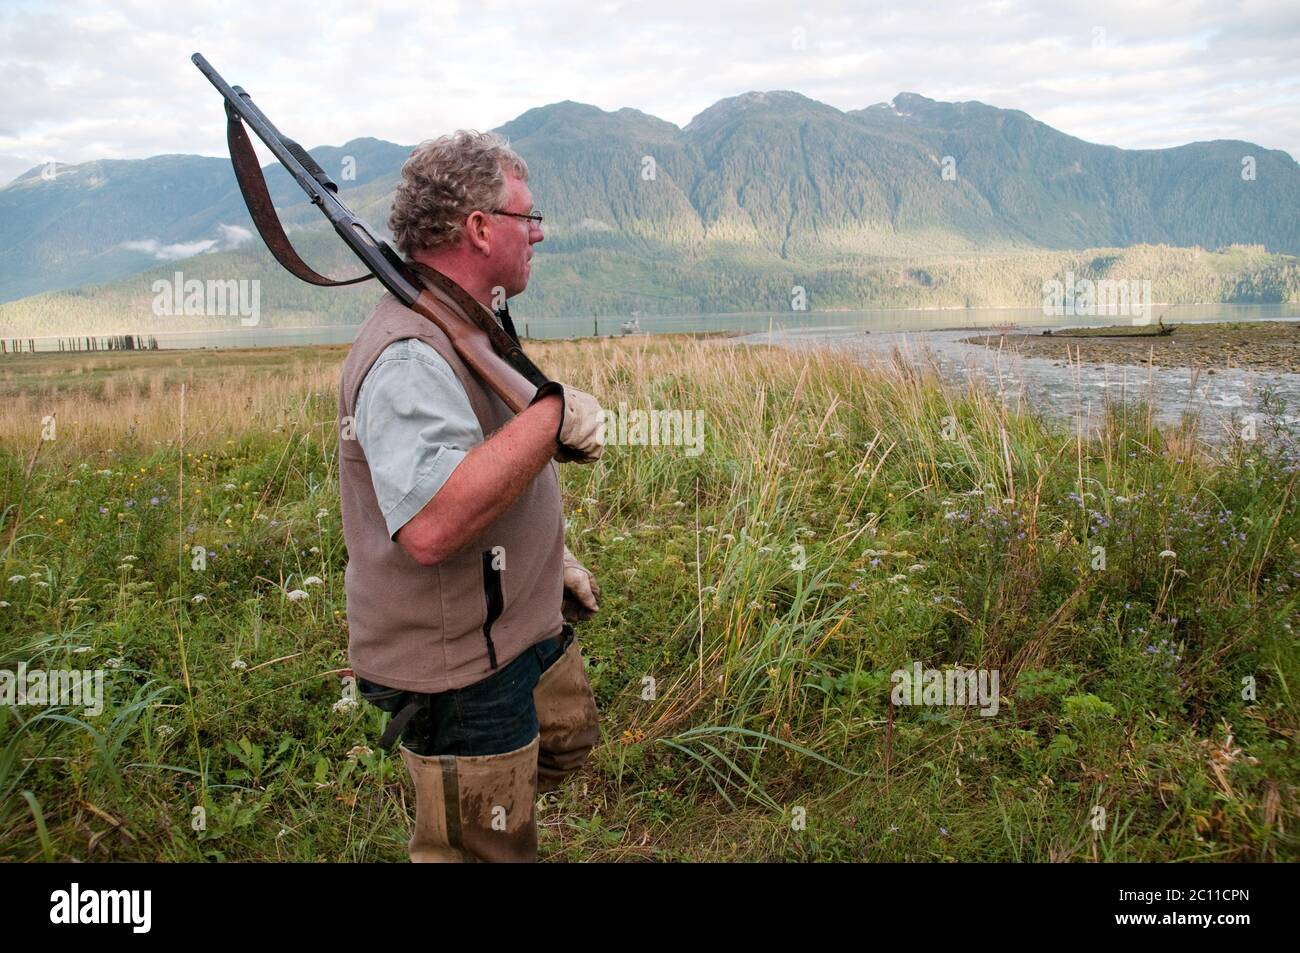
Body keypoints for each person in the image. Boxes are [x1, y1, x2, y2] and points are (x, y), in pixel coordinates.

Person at [336, 130, 606, 862]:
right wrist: (552, 415)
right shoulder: (409, 354)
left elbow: (480, 463)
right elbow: (430, 523)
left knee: (555, 752)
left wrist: (550, 559)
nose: (540, 232)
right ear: (480, 227)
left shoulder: (468, 319)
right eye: (528, 217)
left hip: (511, 626)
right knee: (483, 848)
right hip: (458, 666)